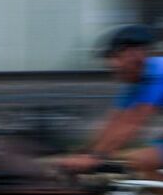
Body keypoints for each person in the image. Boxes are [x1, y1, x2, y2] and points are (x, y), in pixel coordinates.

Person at [59, 24, 163, 175]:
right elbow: (115, 121)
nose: (111, 64)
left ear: (136, 55)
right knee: (136, 162)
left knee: (141, 161)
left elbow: (133, 122)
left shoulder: (158, 74)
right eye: (108, 58)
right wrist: (84, 152)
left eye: (115, 56)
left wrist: (95, 158)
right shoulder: (136, 81)